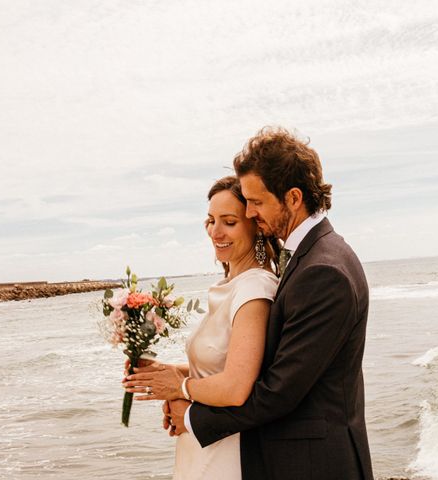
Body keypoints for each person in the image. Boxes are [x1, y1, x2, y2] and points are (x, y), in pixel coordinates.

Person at [166, 127, 374, 480]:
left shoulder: (324, 271)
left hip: (314, 465)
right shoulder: (310, 257)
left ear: (293, 198)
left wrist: (190, 414)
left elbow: (278, 392)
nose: (249, 212)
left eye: (257, 202)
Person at [123, 175, 280, 479]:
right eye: (210, 220)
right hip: (199, 445)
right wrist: (163, 371)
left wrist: (178, 387)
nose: (215, 232)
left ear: (255, 224)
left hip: (226, 451)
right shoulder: (230, 285)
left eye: (229, 222)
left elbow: (236, 388)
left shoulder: (254, 290)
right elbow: (220, 365)